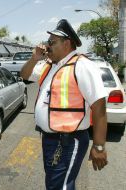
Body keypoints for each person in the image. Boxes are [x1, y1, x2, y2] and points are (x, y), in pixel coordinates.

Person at [20, 19, 108, 190]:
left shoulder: (82, 65)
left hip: (68, 141)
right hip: (50, 139)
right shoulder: (49, 65)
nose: (47, 46)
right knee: (56, 183)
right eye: (47, 42)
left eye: (51, 42)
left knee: (58, 186)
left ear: (67, 43)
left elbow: (99, 106)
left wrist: (98, 146)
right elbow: (24, 74)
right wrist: (34, 58)